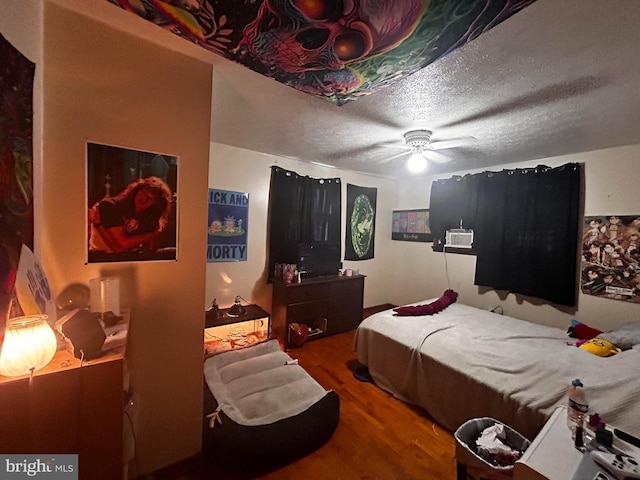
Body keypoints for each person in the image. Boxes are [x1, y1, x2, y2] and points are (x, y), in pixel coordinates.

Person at [88, 176, 173, 258]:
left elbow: (134, 247)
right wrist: (154, 233)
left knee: (171, 253)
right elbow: (121, 246)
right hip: (101, 256)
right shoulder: (110, 206)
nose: (144, 199)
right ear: (136, 191)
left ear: (155, 204)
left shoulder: (149, 216)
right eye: (143, 193)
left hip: (130, 257)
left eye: (150, 198)